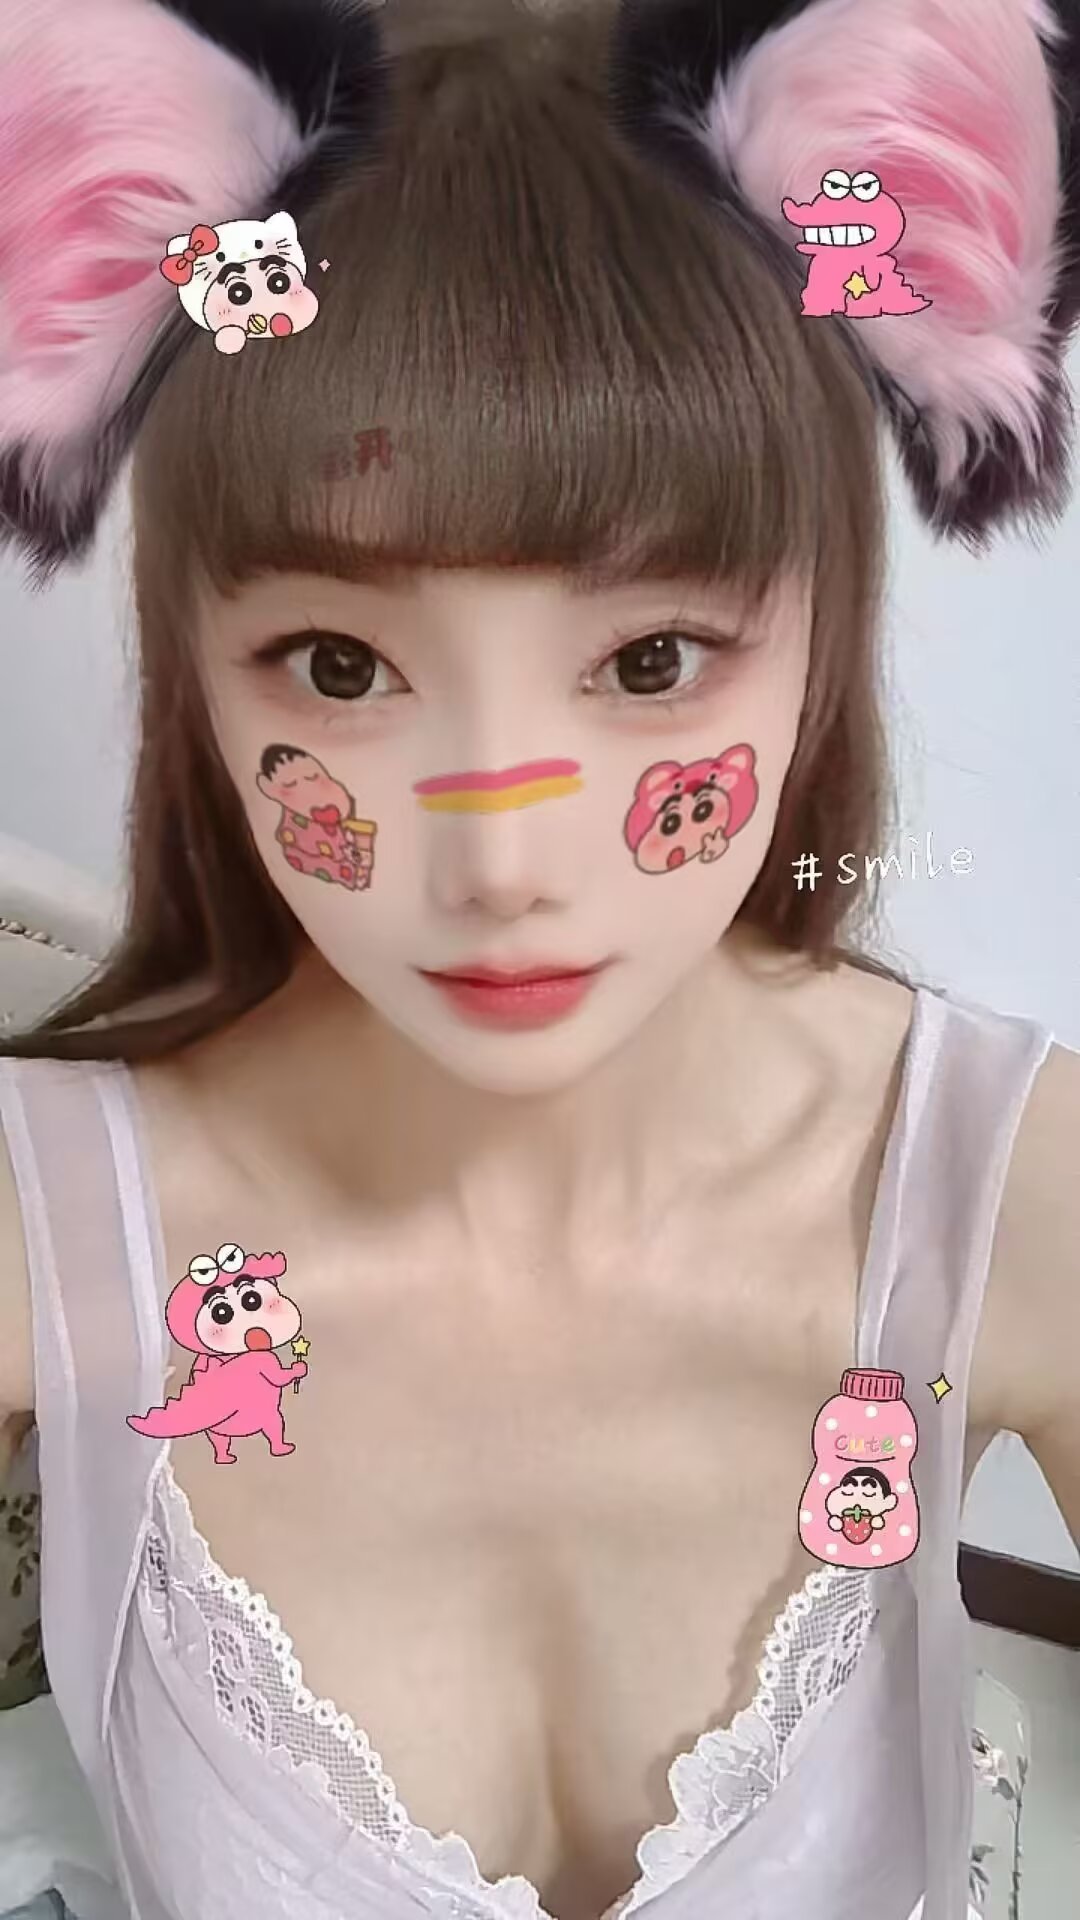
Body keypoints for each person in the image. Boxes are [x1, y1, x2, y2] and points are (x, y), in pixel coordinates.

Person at [0, 2, 1078, 1918]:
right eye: (340, 665)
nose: (500, 866)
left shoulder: (1025, 1191)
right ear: (196, 669)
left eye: (651, 660)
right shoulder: (43, 1226)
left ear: (822, 631)